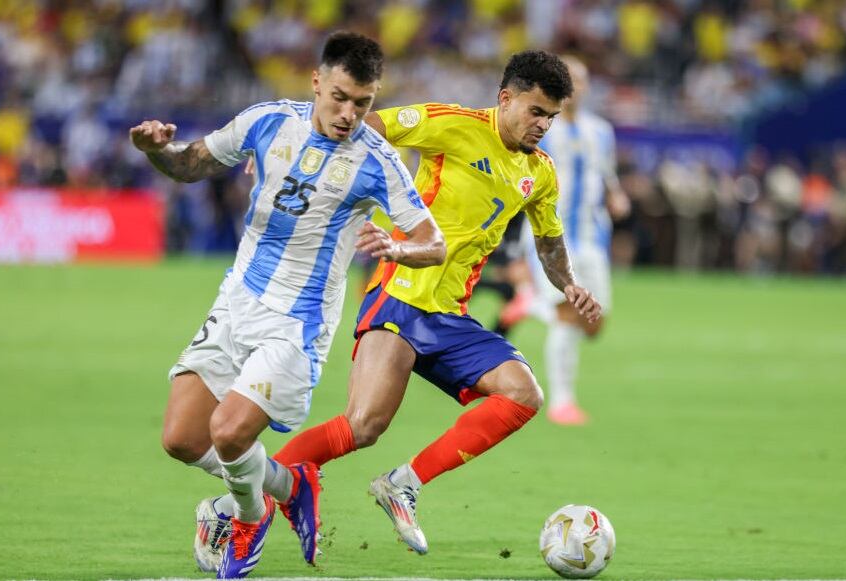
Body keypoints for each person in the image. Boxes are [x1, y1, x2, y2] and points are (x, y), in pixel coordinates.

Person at [130, 31, 445, 579]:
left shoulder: (378, 161)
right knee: (181, 438)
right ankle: (288, 483)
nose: (349, 114)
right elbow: (192, 164)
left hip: (297, 323)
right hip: (237, 301)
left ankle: (249, 521)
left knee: (229, 433)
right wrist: (158, 150)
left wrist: (396, 247)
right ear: (317, 82)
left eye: (363, 103)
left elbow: (432, 240)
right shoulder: (268, 121)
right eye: (340, 97)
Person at [271, 49, 602, 554]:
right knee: (363, 426)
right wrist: (341, 183)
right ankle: (243, 504)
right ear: (505, 98)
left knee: (522, 394)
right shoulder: (452, 124)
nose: (543, 125)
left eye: (551, 117)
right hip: (401, 293)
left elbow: (549, 240)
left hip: (449, 315)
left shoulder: (541, 172)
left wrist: (569, 285)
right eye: (535, 112)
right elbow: (372, 127)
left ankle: (402, 484)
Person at [534, 56, 631, 425]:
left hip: (593, 238)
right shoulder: (544, 128)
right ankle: (561, 402)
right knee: (567, 316)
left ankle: (530, 304)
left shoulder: (601, 131)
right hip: (553, 239)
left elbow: (606, 174)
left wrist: (616, 196)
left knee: (593, 323)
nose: (575, 86)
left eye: (581, 80)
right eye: (568, 79)